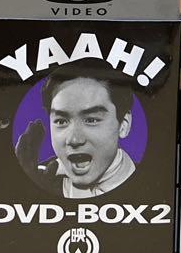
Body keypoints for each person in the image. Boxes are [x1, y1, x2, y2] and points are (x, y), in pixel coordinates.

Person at [15, 60, 136, 198]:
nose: (74, 140)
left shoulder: (151, 181)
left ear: (123, 124)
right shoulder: (37, 178)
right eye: (61, 121)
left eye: (91, 120)